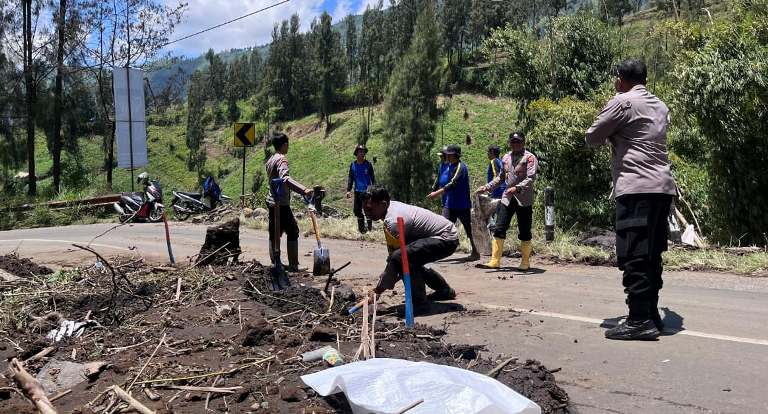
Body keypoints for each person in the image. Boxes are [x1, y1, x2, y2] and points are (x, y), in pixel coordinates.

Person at [585, 58, 677, 341]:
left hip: (636, 189)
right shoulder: (660, 105)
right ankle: (650, 314)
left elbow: (593, 136)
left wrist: (617, 98)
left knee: (634, 254)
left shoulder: (623, 101)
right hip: (663, 189)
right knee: (651, 254)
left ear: (620, 79)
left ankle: (638, 320)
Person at [363, 185, 458, 314]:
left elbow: (396, 260)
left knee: (402, 258)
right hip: (441, 236)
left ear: (383, 204)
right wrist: (385, 280)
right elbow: (394, 259)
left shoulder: (394, 221)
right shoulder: (390, 209)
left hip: (446, 238)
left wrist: (378, 290)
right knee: (408, 260)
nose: (366, 213)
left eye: (369, 209)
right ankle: (444, 291)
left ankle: (419, 303)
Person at [476, 132, 538, 271]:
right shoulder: (506, 157)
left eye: (518, 141)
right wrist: (486, 187)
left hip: (524, 199)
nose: (516, 144)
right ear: (510, 143)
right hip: (507, 198)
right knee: (499, 227)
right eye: (513, 142)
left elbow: (531, 178)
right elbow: (501, 177)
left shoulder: (529, 157)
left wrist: (517, 188)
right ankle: (495, 261)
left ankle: (525, 262)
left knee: (525, 230)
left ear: (523, 142)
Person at [265, 132, 313, 272]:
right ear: (285, 145)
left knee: (275, 231)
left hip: (271, 200)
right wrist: (303, 190)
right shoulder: (282, 160)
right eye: (288, 144)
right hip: (281, 202)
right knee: (293, 230)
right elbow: (285, 179)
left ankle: (275, 262)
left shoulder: (270, 160)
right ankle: (293, 265)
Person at [427, 144, 480, 261]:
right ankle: (438, 252)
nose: (447, 157)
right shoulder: (449, 166)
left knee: (468, 229)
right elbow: (442, 180)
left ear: (455, 155)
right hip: (450, 204)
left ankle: (475, 252)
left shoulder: (461, 167)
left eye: (449, 155)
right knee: (442, 227)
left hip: (462, 204)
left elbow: (452, 183)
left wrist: (437, 193)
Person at [346, 144, 376, 233]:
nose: (362, 153)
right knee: (357, 211)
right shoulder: (353, 165)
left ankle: (370, 230)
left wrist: (374, 189)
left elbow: (373, 178)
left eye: (363, 152)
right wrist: (348, 190)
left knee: (368, 210)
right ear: (356, 153)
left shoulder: (368, 164)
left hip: (367, 192)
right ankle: (362, 230)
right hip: (357, 191)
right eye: (360, 152)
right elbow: (350, 178)